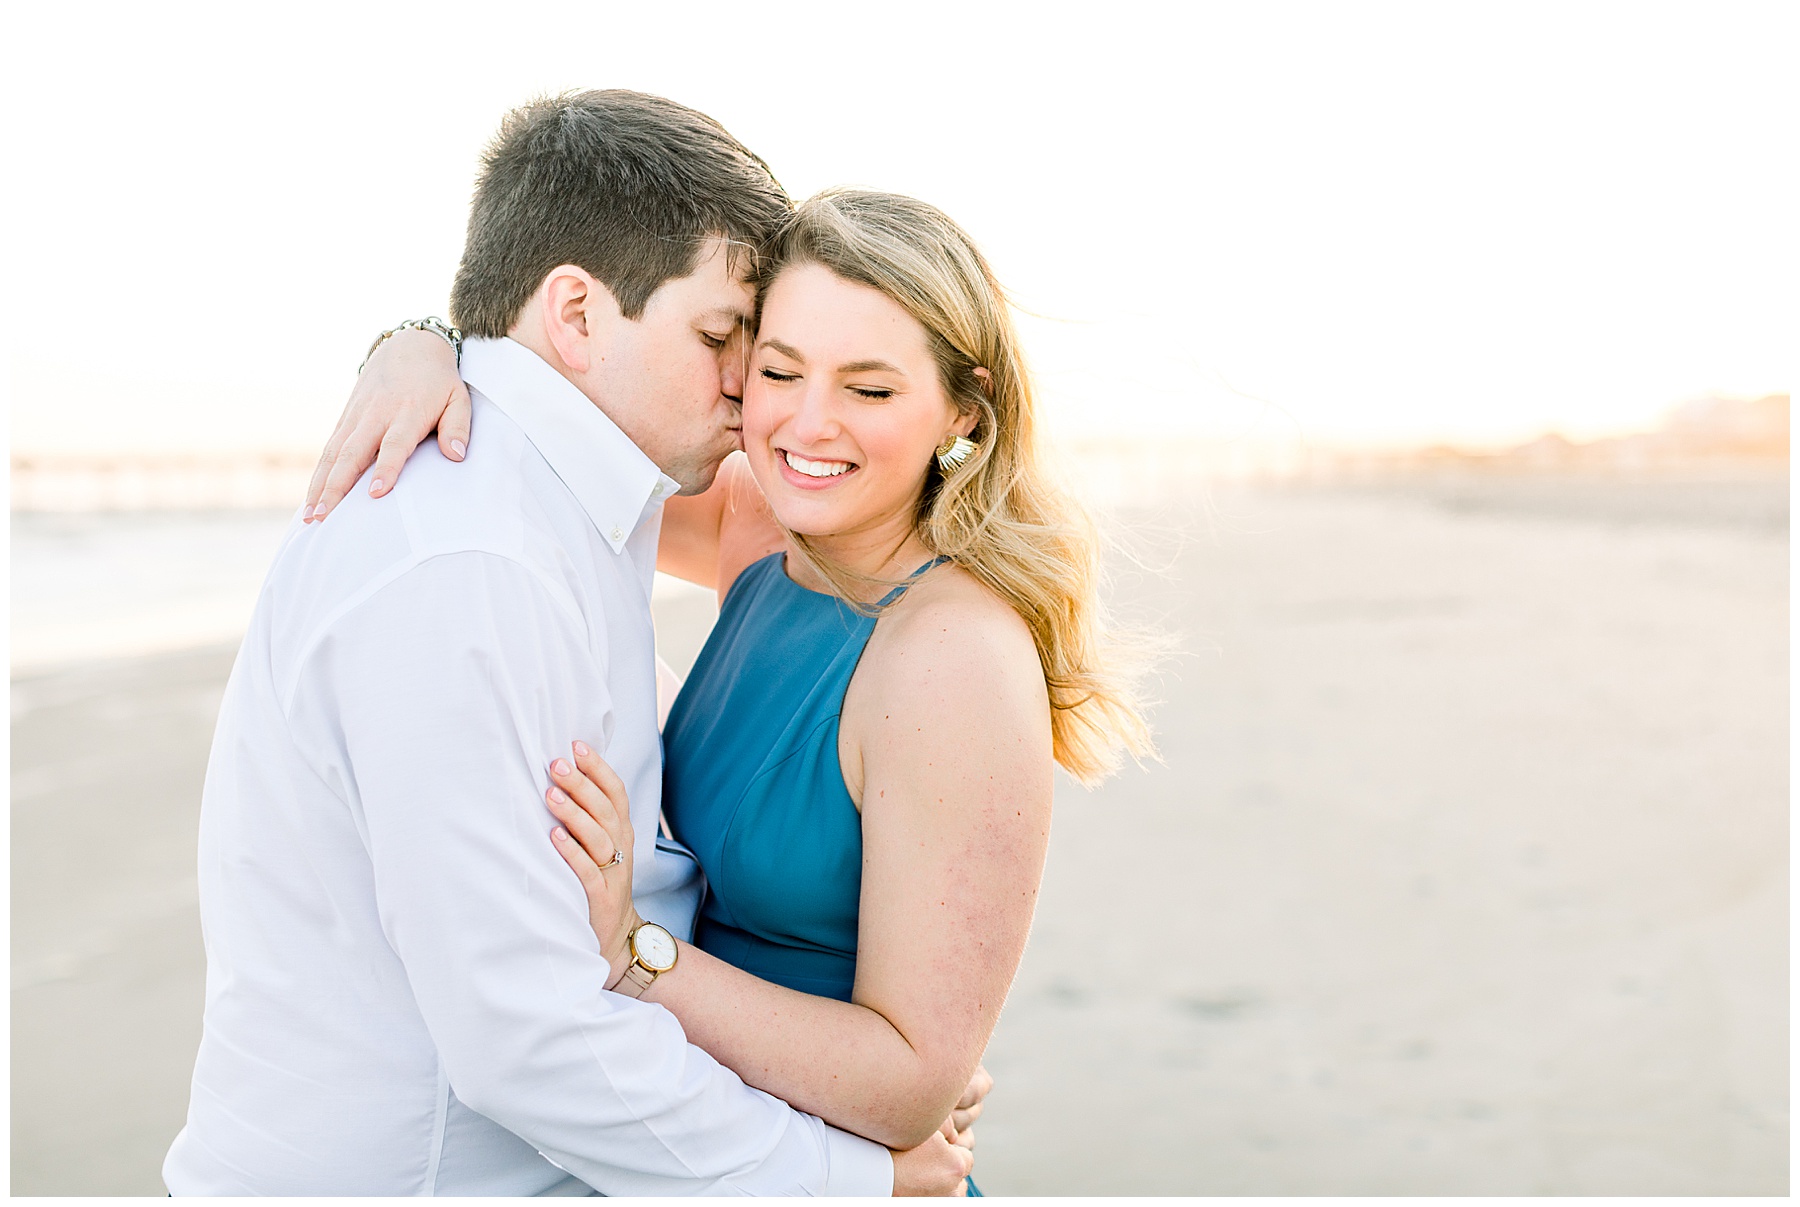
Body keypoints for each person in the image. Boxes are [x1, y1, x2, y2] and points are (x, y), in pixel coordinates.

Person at [164, 90, 977, 1196]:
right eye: (720, 338)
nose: (751, 390)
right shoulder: (469, 565)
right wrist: (847, 1171)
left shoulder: (592, 499)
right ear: (578, 314)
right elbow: (526, 1036)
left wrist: (421, 338)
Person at [308, 188, 1158, 1192]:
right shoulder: (762, 528)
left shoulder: (954, 657)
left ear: (963, 411)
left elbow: (910, 1084)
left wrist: (635, 952)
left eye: (870, 390)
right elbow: (552, 439)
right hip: (719, 1150)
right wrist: (421, 346)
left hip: (849, 1171)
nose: (809, 422)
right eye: (779, 370)